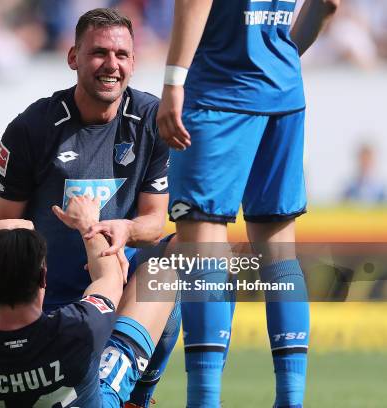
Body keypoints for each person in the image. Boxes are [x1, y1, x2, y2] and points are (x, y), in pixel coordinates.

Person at [156, 0, 339, 407]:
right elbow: (328, 4)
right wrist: (277, 61)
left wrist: (172, 82)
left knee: (203, 248)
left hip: (218, 91)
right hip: (285, 95)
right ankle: (290, 398)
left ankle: (204, 400)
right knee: (279, 253)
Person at [0, 8, 177, 406]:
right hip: (51, 307)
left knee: (182, 255)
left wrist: (124, 229)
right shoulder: (31, 128)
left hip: (119, 292)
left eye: (122, 55)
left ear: (134, 61)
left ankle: (132, 395)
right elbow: (7, 227)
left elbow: (154, 221)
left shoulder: (150, 119)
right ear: (73, 57)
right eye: (99, 53)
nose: (112, 65)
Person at [0, 196, 177, 407]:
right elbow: (109, 277)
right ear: (43, 277)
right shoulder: (76, 329)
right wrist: (87, 222)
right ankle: (138, 401)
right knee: (160, 274)